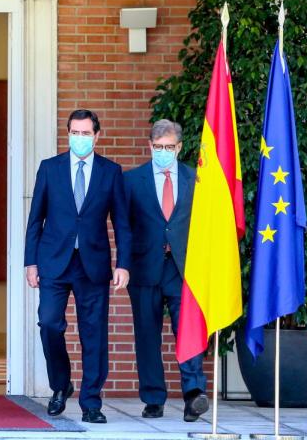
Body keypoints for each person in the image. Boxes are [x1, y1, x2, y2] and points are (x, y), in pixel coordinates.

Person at [24, 109, 131, 424]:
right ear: (68, 134)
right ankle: (61, 385)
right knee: (49, 323)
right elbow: (35, 219)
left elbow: (122, 223)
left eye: (85, 133)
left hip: (93, 264)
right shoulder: (50, 168)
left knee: (93, 334)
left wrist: (123, 264)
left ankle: (91, 403)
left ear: (97, 136)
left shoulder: (111, 172)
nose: (79, 138)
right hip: (53, 262)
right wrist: (31, 262)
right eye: (74, 132)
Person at [125, 119, 209, 421]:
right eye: (158, 147)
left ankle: (193, 395)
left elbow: (204, 225)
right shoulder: (131, 181)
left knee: (187, 331)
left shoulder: (195, 179)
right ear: (150, 146)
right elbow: (123, 226)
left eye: (169, 147)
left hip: (182, 268)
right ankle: (153, 399)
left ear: (180, 147)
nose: (163, 152)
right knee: (147, 335)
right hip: (144, 267)